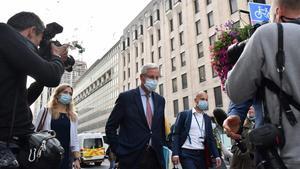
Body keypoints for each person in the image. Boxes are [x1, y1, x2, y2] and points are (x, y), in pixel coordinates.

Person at [224, 0, 300, 168]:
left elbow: (235, 91)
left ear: (278, 12)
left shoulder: (267, 34)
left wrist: (237, 63)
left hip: (282, 158)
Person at [0, 11, 67, 168]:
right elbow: (51, 76)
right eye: (38, 42)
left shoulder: (7, 53)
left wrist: (41, 77)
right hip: (5, 145)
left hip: (13, 143)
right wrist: (56, 58)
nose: (37, 48)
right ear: (31, 31)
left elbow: (23, 100)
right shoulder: (4, 32)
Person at [105, 63, 166, 169]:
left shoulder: (160, 100)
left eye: (157, 77)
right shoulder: (126, 98)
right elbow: (110, 126)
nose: (155, 81)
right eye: (151, 77)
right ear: (142, 78)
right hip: (131, 158)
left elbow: (160, 128)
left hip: (155, 157)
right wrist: (119, 150)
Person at [34, 84, 80, 169]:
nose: (68, 95)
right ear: (57, 94)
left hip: (66, 157)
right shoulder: (45, 111)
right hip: (47, 155)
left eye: (70, 94)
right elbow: (35, 133)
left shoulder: (73, 116)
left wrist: (76, 158)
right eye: (65, 92)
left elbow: (75, 139)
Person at [171, 91, 221, 169]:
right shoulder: (184, 115)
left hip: (201, 154)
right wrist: (175, 153)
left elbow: (211, 139)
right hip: (186, 153)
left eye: (206, 100)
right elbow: (176, 134)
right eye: (202, 99)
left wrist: (217, 156)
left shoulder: (207, 119)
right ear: (195, 100)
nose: (205, 101)